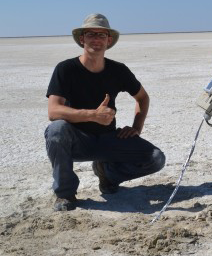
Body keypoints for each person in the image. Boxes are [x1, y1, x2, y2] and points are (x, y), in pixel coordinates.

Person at [45, 13, 165, 211]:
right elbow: (53, 110)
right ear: (82, 39)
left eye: (101, 35)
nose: (96, 39)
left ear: (109, 41)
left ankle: (108, 174)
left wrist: (136, 128)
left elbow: (143, 98)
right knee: (56, 129)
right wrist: (93, 115)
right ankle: (65, 194)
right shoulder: (65, 69)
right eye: (91, 34)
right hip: (77, 141)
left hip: (109, 140)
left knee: (156, 158)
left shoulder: (118, 70)